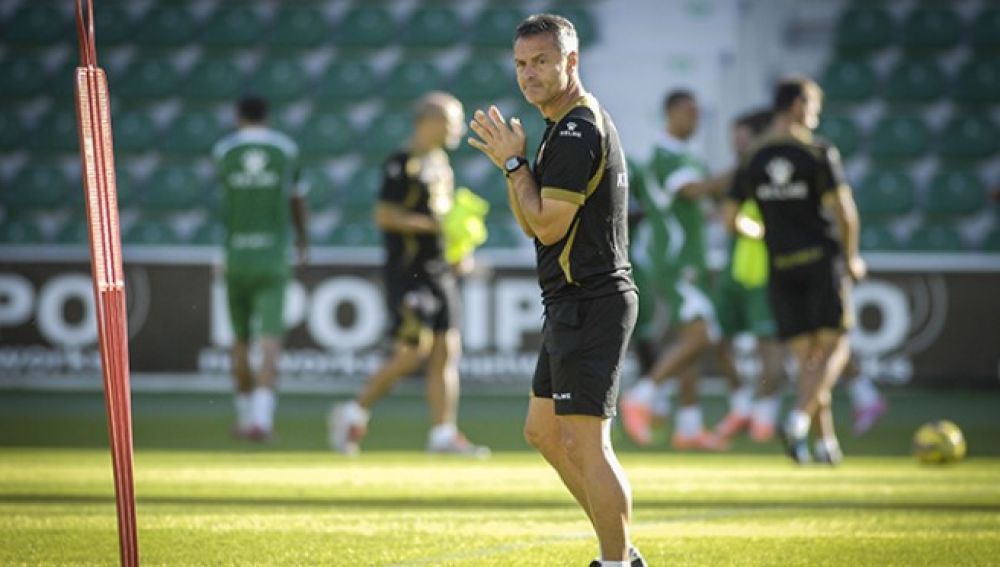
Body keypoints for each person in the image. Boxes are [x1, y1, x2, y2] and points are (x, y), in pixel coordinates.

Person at [467, 14, 646, 567]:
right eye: (521, 64)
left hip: (591, 299)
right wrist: (513, 168)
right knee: (544, 431)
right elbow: (532, 222)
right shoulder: (563, 125)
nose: (529, 74)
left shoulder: (575, 130)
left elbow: (547, 226)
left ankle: (615, 561)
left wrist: (514, 164)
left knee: (587, 444)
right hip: (572, 300)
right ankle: (623, 551)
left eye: (541, 61)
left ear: (571, 61)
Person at [328, 92, 489, 458]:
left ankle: (443, 433)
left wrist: (458, 249)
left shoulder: (440, 163)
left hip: (438, 271)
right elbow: (385, 216)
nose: (458, 129)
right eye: (452, 121)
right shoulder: (402, 163)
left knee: (447, 349)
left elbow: (446, 218)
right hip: (408, 271)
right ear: (428, 122)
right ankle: (353, 412)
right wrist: (433, 227)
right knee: (412, 352)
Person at [724, 76, 867, 465]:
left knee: (809, 362)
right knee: (836, 348)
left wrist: (762, 232)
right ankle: (799, 420)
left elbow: (731, 219)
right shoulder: (817, 152)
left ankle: (825, 444)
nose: (816, 114)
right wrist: (852, 258)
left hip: (781, 266)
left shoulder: (752, 157)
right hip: (821, 262)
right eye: (814, 105)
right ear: (798, 105)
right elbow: (845, 212)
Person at [619, 90, 744, 451]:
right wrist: (746, 166)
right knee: (701, 336)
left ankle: (688, 426)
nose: (695, 119)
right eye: (689, 112)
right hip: (677, 263)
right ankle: (642, 396)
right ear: (670, 113)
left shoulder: (687, 156)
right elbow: (694, 190)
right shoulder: (664, 156)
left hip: (690, 261)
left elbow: (706, 201)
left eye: (698, 112)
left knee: (691, 341)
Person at [212, 96, 309, 442]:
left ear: (238, 116)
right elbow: (297, 199)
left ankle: (244, 416)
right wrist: (303, 240)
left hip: (236, 255)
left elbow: (224, 203)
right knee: (270, 341)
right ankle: (261, 421)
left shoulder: (224, 151)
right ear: (268, 117)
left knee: (239, 341)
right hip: (272, 256)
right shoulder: (285, 150)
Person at [712, 109, 788, 443]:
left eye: (743, 138)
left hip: (766, 271)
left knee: (769, 346)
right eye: (735, 137)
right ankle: (742, 405)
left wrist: (756, 230)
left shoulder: (774, 173)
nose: (737, 144)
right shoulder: (739, 174)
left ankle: (765, 415)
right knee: (717, 336)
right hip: (735, 269)